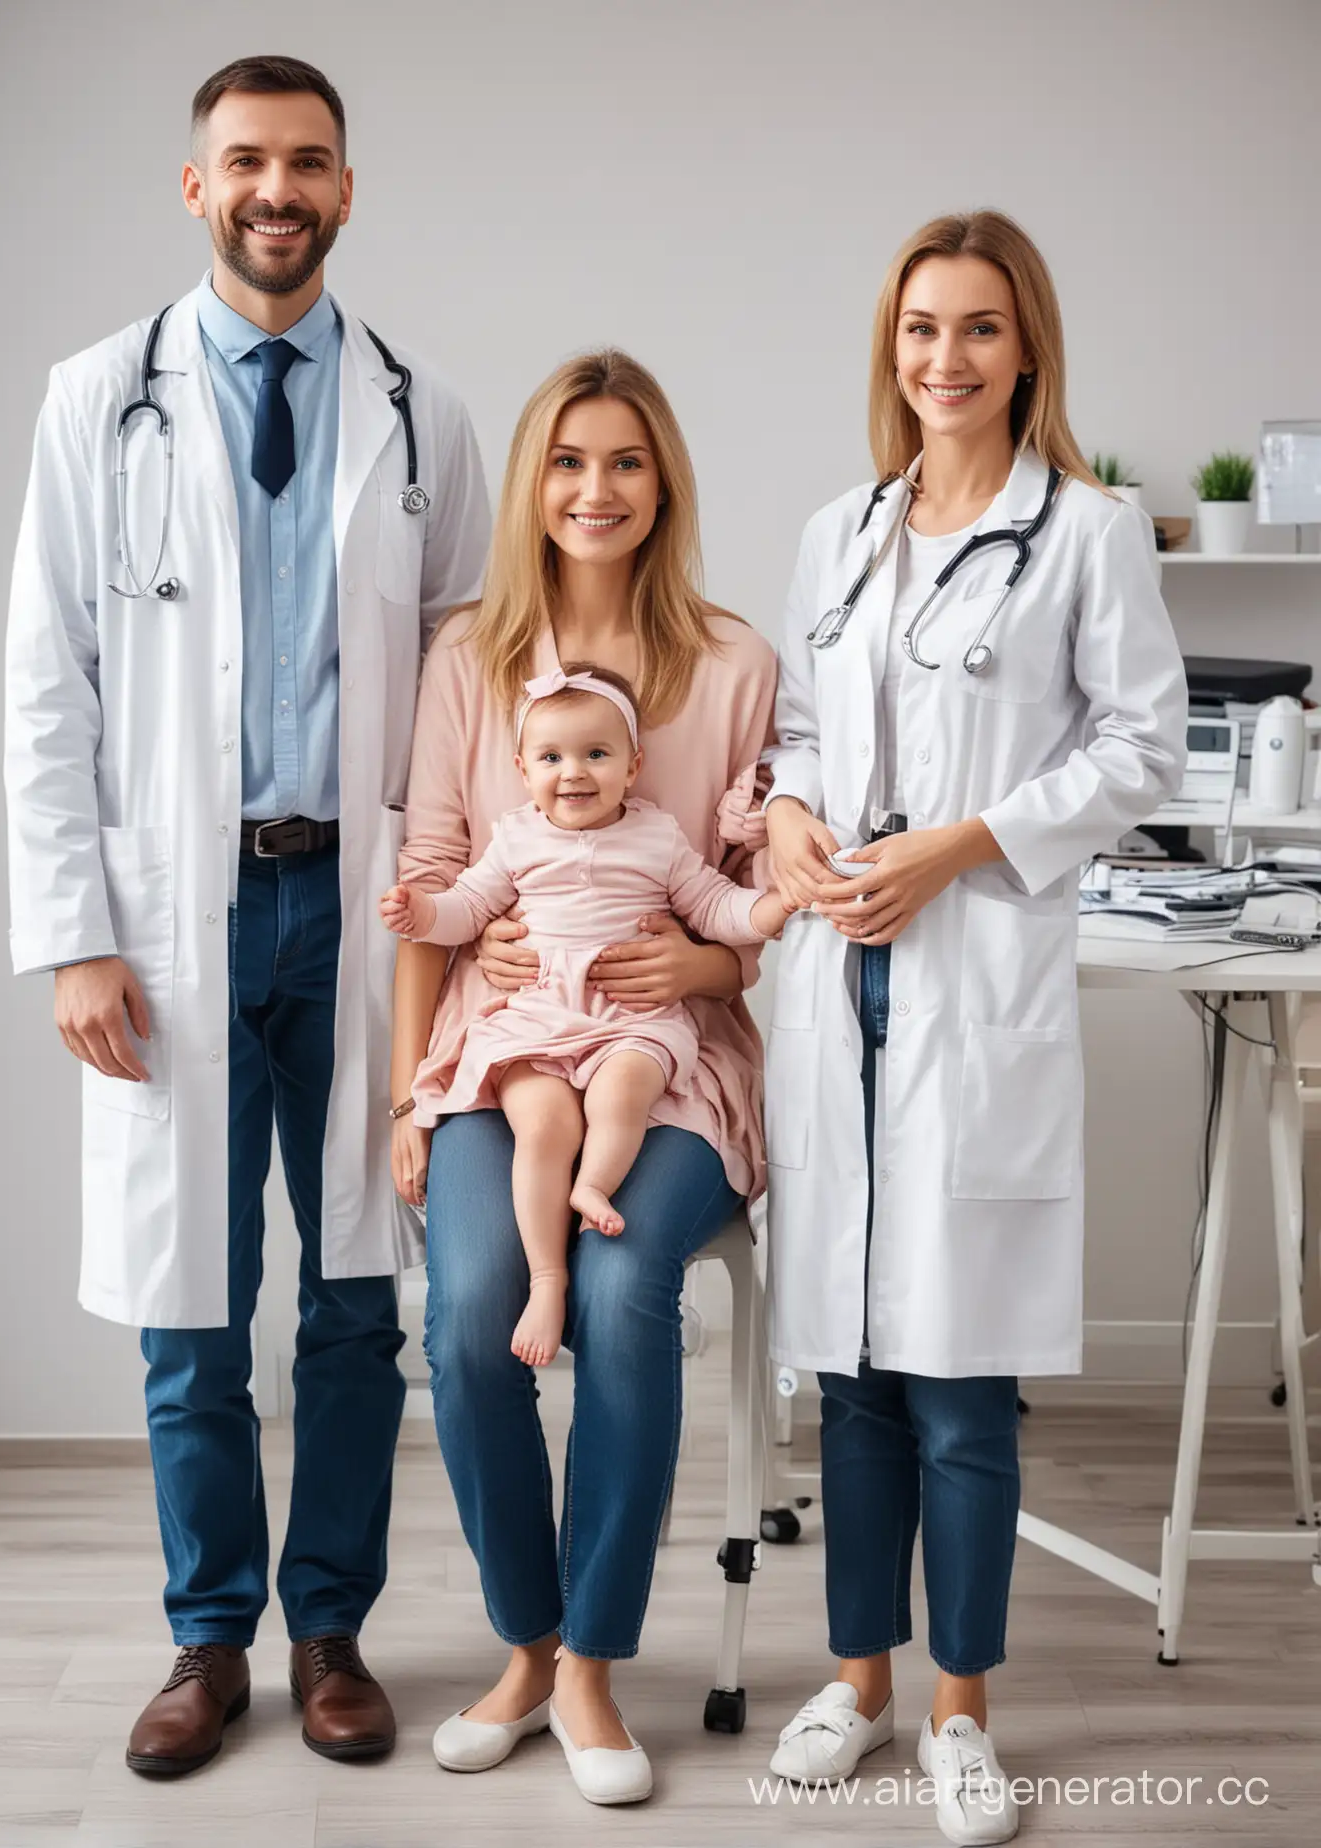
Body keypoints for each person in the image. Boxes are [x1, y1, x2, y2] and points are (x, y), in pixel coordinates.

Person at [3, 55, 489, 1777]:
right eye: (245, 161)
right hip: (173, 916)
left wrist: (460, 937)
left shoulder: (422, 414)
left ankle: (333, 1626)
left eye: (307, 161)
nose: (276, 188)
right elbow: (42, 683)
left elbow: (467, 702)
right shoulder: (93, 399)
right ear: (194, 187)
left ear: (346, 188)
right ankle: (208, 1638)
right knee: (186, 1300)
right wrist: (74, 927)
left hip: (358, 908)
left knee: (355, 1289)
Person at [760, 211, 1186, 1844]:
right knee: (853, 1377)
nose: (944, 359)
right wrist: (796, 823)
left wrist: (959, 843)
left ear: (1027, 350)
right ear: (892, 345)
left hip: (969, 973)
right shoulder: (837, 531)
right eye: (920, 328)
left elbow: (1140, 749)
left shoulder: (1085, 529)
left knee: (957, 1387)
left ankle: (957, 1706)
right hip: (838, 984)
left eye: (979, 331)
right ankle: (855, 1680)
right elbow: (799, 729)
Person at [390, 350, 775, 1804]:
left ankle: (597, 1668)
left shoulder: (734, 663)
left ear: (662, 478)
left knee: (622, 1296)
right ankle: (528, 1643)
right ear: (532, 484)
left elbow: (752, 905)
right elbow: (435, 884)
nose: (594, 490)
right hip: (498, 1060)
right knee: (478, 1304)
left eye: (624, 461)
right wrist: (405, 1099)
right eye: (566, 461)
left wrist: (706, 970)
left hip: (672, 1064)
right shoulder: (467, 658)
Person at [381, 665, 790, 1365]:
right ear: (522, 768)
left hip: (629, 1021)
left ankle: (593, 1185)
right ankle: (547, 1278)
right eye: (551, 758)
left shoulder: (657, 838)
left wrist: (770, 908)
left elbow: (714, 905)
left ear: (634, 766)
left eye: (596, 755)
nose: (574, 773)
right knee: (542, 1125)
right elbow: (466, 907)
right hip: (536, 1020)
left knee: (623, 1091)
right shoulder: (514, 839)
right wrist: (423, 912)